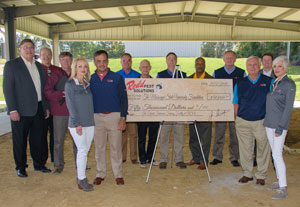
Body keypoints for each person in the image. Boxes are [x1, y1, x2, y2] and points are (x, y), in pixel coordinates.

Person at [3, 39, 51, 177]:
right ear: (20, 49)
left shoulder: (39, 66)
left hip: (38, 108)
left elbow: (43, 89)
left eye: (31, 47)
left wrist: (46, 107)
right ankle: (21, 167)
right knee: (20, 140)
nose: (29, 50)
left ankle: (39, 164)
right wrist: (12, 109)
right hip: (20, 111)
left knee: (39, 139)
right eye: (25, 47)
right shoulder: (12, 65)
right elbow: (7, 89)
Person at [233, 56, 273, 185]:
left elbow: (274, 103)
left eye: (255, 64)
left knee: (263, 148)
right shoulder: (240, 83)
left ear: (260, 66)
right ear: (246, 67)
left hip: (261, 121)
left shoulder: (269, 81)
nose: (252, 67)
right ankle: (247, 173)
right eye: (249, 65)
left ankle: (261, 175)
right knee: (245, 149)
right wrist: (236, 118)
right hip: (243, 121)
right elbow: (235, 102)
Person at [90, 50, 128, 185]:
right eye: (98, 61)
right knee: (99, 147)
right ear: (95, 62)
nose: (102, 64)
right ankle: (100, 173)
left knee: (116, 147)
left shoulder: (117, 78)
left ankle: (118, 174)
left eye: (104, 61)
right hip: (96, 118)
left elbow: (124, 99)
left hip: (114, 117)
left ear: (108, 62)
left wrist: (123, 117)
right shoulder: (90, 79)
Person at [264, 56, 296, 200]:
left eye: (280, 66)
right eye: (275, 66)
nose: (276, 69)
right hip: (269, 124)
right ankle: (279, 181)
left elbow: (288, 109)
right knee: (274, 154)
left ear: (286, 68)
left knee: (277, 155)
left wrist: (281, 127)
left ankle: (283, 188)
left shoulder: (289, 84)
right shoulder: (275, 82)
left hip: (279, 126)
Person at [210, 50, 246, 167]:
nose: (229, 59)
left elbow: (245, 91)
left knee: (234, 134)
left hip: (236, 108)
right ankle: (217, 156)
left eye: (232, 58)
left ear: (235, 59)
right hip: (221, 108)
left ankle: (234, 157)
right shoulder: (217, 73)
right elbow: (212, 90)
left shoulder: (242, 73)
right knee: (219, 133)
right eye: (227, 57)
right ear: (223, 59)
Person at [44, 52, 77, 174]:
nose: (66, 62)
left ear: (72, 61)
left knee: (77, 140)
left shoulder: (76, 74)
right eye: (63, 60)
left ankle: (80, 163)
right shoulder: (55, 75)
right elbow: (47, 91)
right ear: (59, 61)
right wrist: (60, 94)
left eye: (68, 59)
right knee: (58, 140)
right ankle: (58, 165)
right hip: (60, 112)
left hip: (74, 112)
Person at [65, 58, 94, 192]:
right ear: (75, 68)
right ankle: (81, 179)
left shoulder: (87, 84)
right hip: (77, 124)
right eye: (80, 66)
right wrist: (77, 123)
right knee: (82, 150)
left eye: (85, 67)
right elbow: (70, 105)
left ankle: (81, 177)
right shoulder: (70, 84)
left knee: (85, 150)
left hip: (89, 123)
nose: (83, 69)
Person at [157, 52, 187, 169]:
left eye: (174, 59)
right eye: (169, 59)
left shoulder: (183, 75)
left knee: (179, 135)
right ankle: (163, 159)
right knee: (164, 135)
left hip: (179, 110)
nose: (171, 61)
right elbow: (157, 92)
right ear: (166, 61)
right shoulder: (160, 75)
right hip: (165, 110)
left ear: (176, 60)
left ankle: (179, 159)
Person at [186, 57, 213, 170]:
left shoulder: (211, 79)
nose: (200, 66)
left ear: (205, 65)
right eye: (198, 64)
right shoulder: (189, 79)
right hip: (192, 113)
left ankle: (203, 161)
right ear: (195, 65)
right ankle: (195, 157)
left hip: (206, 114)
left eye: (202, 64)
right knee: (193, 138)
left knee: (205, 139)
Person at [116, 53, 140, 164]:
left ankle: (134, 157)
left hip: (133, 109)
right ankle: (122, 156)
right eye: (124, 60)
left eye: (128, 60)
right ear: (121, 62)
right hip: (120, 108)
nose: (126, 62)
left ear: (131, 62)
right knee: (121, 134)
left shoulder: (137, 75)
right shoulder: (116, 76)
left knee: (133, 133)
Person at [253, 52, 276, 167]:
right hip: (259, 110)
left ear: (272, 62)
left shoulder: (277, 75)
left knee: (272, 136)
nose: (266, 62)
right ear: (261, 62)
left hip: (273, 111)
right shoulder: (256, 74)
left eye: (269, 60)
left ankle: (273, 157)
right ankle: (257, 158)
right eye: (264, 60)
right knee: (259, 135)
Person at [137, 60, 159, 168]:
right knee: (141, 138)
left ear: (150, 68)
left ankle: (150, 158)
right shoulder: (134, 83)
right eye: (143, 67)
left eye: (147, 67)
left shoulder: (155, 82)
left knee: (153, 138)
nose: (145, 69)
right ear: (139, 68)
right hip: (140, 115)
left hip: (153, 115)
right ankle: (142, 159)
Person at [40, 47, 60, 163]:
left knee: (55, 135)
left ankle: (55, 158)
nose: (46, 57)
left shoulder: (57, 70)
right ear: (40, 56)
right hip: (41, 108)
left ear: (52, 56)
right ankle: (42, 160)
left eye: (48, 54)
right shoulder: (37, 69)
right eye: (43, 55)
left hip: (55, 108)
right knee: (41, 135)